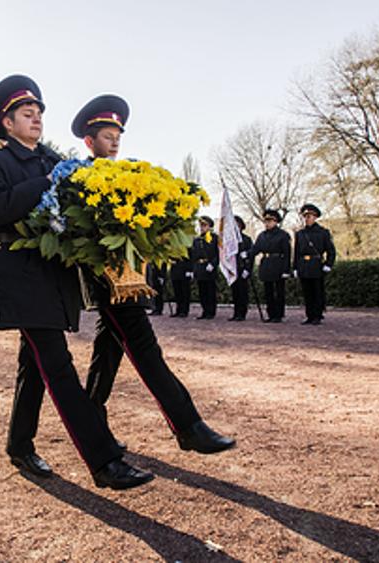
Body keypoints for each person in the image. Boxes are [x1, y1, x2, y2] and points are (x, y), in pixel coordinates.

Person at [0, 75, 152, 489]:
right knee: (58, 367)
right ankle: (104, 462)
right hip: (21, 275)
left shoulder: (53, 159)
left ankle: (19, 445)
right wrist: (44, 185)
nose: (36, 120)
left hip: (54, 275)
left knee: (33, 367)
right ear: (7, 123)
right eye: (26, 114)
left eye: (38, 114)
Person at [74, 94, 235, 457]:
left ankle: (92, 419)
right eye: (106, 135)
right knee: (145, 348)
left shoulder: (133, 174)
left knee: (108, 351)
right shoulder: (78, 179)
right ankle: (187, 425)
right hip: (106, 279)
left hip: (133, 274)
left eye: (118, 134)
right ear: (89, 141)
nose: (114, 141)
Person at [294, 204, 336, 325]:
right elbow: (297, 252)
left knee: (317, 291)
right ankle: (309, 315)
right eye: (305, 216)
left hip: (316, 264)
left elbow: (331, 251)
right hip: (304, 265)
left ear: (315, 217)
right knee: (307, 292)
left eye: (310, 216)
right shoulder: (300, 234)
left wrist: (328, 264)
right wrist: (295, 267)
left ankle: (317, 315)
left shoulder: (323, 233)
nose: (307, 218)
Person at [250, 209, 291, 323]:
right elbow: (256, 249)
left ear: (275, 221)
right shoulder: (262, 235)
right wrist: (247, 254)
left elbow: (287, 253)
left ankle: (278, 314)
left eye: (269, 221)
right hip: (266, 265)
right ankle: (271, 313)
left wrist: (286, 270)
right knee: (268, 292)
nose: (267, 224)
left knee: (279, 292)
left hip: (278, 264)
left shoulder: (283, 235)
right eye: (266, 221)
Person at [190, 216, 219, 319]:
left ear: (210, 226)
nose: (202, 227)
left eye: (204, 225)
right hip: (200, 267)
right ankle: (205, 310)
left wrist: (213, 263)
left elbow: (218, 253)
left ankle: (211, 312)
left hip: (209, 267)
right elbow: (193, 256)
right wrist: (193, 269)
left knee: (210, 291)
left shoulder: (214, 238)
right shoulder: (197, 239)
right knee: (202, 291)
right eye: (201, 225)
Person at [229, 215, 253, 321]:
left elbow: (251, 256)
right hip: (233, 268)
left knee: (243, 292)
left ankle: (242, 313)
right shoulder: (230, 240)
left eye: (237, 225)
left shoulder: (246, 239)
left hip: (242, 268)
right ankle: (236, 312)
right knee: (235, 292)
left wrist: (248, 269)